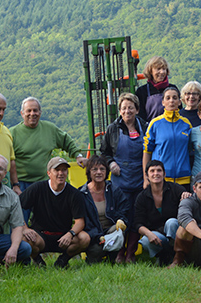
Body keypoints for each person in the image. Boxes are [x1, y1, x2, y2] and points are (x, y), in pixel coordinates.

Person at [11, 97, 86, 222]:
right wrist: (14, 185)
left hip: (44, 184)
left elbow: (66, 140)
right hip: (21, 184)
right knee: (20, 221)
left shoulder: (49, 129)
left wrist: (77, 156)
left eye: (35, 110)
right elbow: (8, 160)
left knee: (46, 221)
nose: (32, 114)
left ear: (40, 112)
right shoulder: (13, 133)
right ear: (22, 113)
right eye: (28, 111)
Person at [100, 92, 148, 263]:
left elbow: (150, 151)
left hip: (140, 177)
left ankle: (131, 253)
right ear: (119, 110)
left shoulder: (145, 126)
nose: (127, 111)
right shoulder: (113, 129)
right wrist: (111, 163)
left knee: (137, 216)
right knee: (122, 215)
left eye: (130, 107)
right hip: (120, 179)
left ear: (137, 109)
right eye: (124, 108)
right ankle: (119, 252)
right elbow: (104, 152)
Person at [20, 157, 90, 268]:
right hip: (40, 235)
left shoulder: (75, 194)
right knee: (24, 239)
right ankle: (37, 260)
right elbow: (16, 207)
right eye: (57, 170)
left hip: (64, 236)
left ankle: (63, 260)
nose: (61, 173)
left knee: (85, 238)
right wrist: (25, 228)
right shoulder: (37, 188)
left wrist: (70, 234)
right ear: (49, 173)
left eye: (64, 170)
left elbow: (80, 222)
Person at [133, 160, 188, 265]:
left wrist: (186, 195)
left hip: (176, 232)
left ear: (164, 174)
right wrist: (149, 234)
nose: (156, 174)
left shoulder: (175, 189)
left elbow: (189, 200)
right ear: (147, 175)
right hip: (157, 235)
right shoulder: (142, 197)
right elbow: (137, 223)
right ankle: (162, 256)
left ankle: (177, 256)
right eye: (152, 171)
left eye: (159, 170)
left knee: (171, 222)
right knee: (145, 240)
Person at [79, 155, 130, 264]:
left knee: (119, 231)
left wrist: (121, 220)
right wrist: (97, 237)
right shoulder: (82, 194)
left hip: (110, 232)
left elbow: (124, 208)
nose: (99, 172)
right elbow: (83, 221)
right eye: (95, 169)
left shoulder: (114, 190)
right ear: (89, 172)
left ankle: (113, 258)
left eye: (102, 169)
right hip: (92, 234)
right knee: (96, 253)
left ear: (107, 172)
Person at [143, 87, 192, 190]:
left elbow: (192, 149)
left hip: (184, 179)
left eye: (175, 98)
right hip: (161, 179)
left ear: (179, 102)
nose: (171, 101)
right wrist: (146, 177)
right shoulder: (155, 123)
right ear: (163, 102)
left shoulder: (186, 124)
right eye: (168, 98)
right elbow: (147, 152)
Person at [135, 56, 179, 122]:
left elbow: (179, 111)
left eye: (164, 69)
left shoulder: (173, 89)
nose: (162, 72)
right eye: (158, 69)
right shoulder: (142, 91)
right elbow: (140, 116)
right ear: (150, 71)